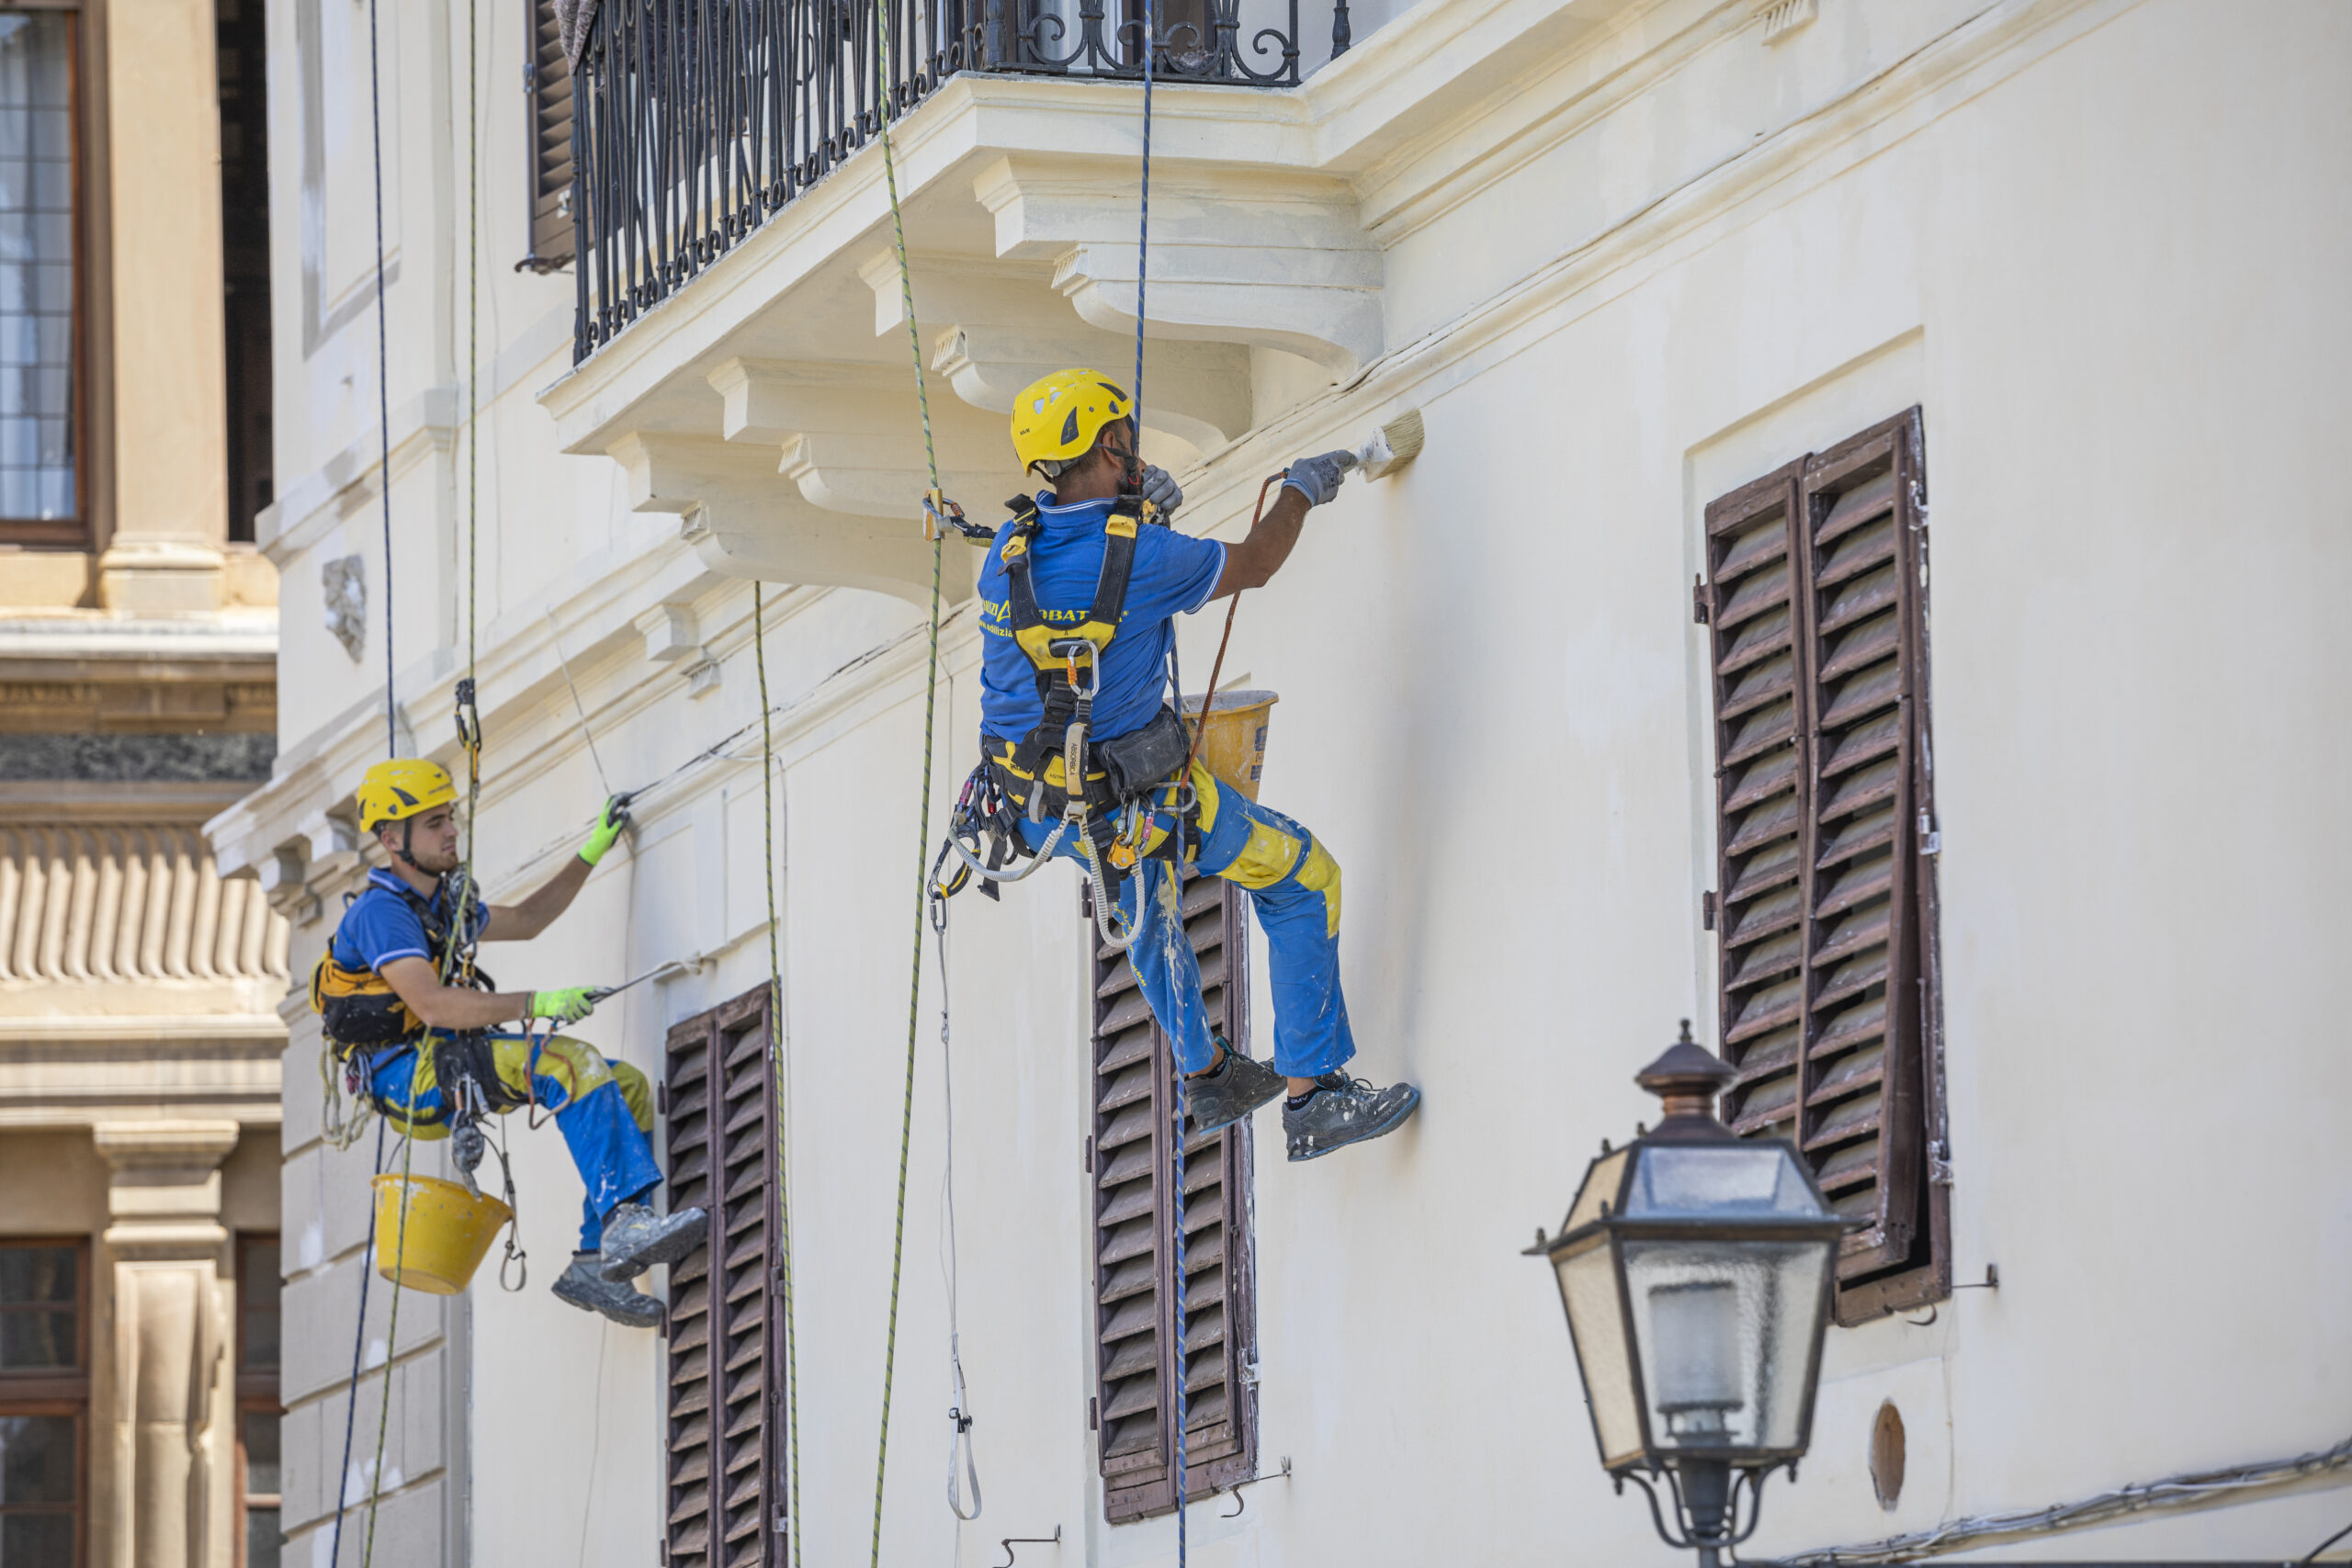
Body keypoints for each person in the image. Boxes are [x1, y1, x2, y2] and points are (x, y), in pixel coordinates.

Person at [971, 368, 1420, 1161]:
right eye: (1126, 439)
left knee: (1145, 902)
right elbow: (1257, 561)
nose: (1136, 451)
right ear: (1107, 445)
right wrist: (1301, 491)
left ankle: (1210, 1074)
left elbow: (1083, 592)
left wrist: (1138, 513)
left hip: (1037, 807)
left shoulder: (1006, 556)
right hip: (1129, 796)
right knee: (1303, 876)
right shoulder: (1147, 556)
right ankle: (1313, 1095)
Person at [311, 759, 706, 1325]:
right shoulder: (383, 915)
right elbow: (433, 1004)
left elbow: (527, 919)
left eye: (450, 818)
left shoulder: (439, 907)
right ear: (392, 840)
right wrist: (539, 1003)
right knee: (570, 1062)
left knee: (625, 1085)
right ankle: (625, 1223)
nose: (451, 831)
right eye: (434, 824)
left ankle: (594, 1263)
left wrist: (592, 850)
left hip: (440, 1058)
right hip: (410, 1076)